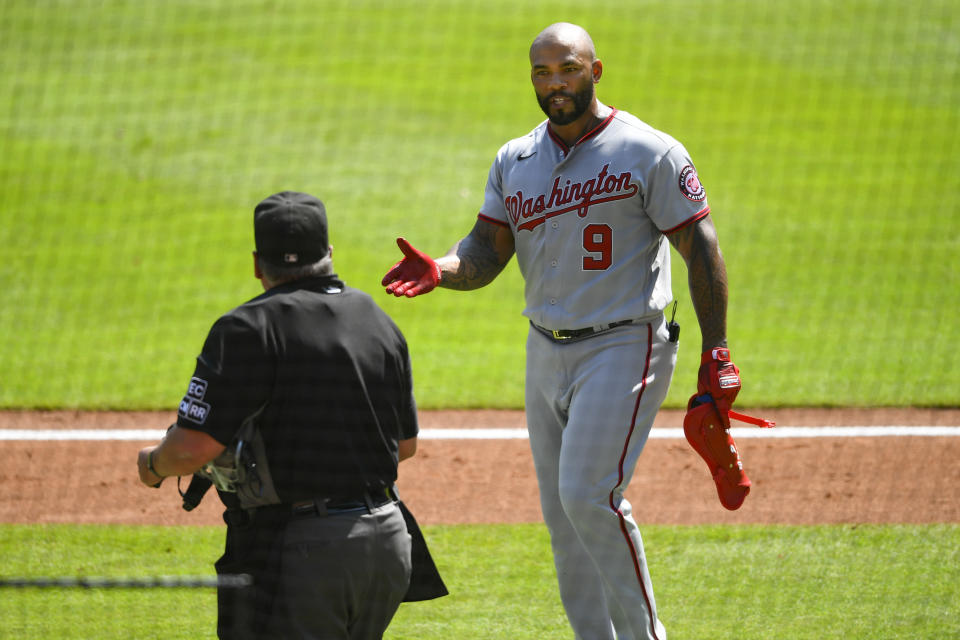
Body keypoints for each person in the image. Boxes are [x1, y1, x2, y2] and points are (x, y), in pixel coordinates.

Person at [381, 22, 745, 640]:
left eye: (568, 69)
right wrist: (440, 270)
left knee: (587, 496)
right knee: (562, 515)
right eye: (542, 73)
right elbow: (486, 251)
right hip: (545, 348)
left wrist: (717, 348)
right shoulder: (515, 158)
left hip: (625, 343)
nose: (556, 84)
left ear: (595, 72)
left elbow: (699, 244)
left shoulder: (647, 151)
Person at [137, 191, 423, 640]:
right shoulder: (375, 319)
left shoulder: (246, 328)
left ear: (257, 263)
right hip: (388, 541)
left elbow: (193, 449)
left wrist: (152, 465)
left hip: (303, 556)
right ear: (329, 255)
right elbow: (404, 447)